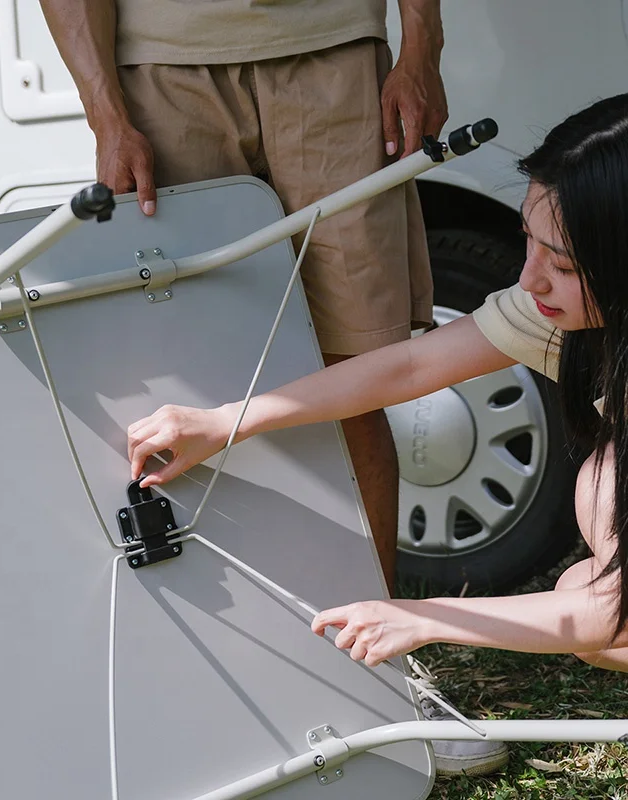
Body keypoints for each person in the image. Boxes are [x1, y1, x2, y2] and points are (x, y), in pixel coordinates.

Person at [39, 0, 509, 776]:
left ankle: (379, 677)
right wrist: (103, 107)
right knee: (197, 381)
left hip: (333, 49)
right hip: (160, 62)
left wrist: (421, 44)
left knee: (353, 373)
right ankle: (232, 677)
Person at [127, 94, 628, 714]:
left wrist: (421, 617)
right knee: (583, 579)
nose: (530, 279)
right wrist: (228, 420)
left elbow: (616, 617)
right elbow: (409, 365)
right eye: (530, 241)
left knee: (602, 512)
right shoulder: (561, 314)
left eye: (565, 264)